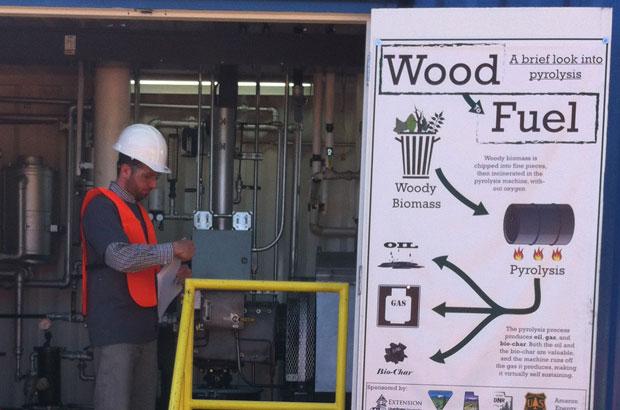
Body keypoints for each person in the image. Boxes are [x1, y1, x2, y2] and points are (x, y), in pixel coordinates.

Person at [80, 124, 195, 410]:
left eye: (156, 177)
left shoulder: (139, 213)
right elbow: (119, 257)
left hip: (144, 331)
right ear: (125, 170)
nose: (153, 184)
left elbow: (145, 269)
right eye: (148, 176)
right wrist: (171, 250)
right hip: (116, 332)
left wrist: (174, 276)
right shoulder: (101, 207)